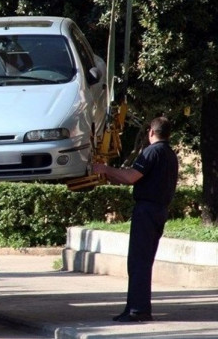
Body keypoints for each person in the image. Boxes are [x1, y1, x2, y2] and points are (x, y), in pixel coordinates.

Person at [92, 116, 179, 323]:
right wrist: (111, 175)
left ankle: (138, 310)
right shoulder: (169, 154)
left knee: (138, 262)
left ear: (150, 132)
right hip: (159, 210)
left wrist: (104, 169)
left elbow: (131, 177)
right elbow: (129, 178)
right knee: (142, 261)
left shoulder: (151, 152)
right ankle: (132, 307)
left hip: (146, 211)